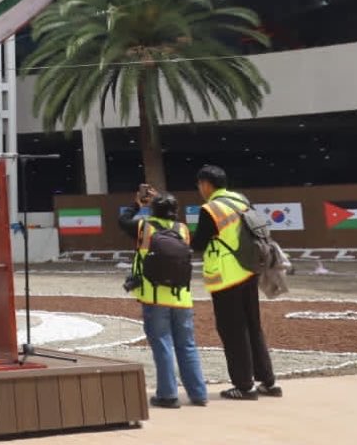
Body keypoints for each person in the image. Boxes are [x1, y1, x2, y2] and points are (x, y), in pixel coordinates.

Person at [193, 164, 282, 400]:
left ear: (206, 184)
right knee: (253, 326)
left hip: (226, 276)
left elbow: (199, 243)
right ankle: (268, 382)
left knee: (233, 330)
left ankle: (244, 386)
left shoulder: (211, 209)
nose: (200, 189)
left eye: (200, 184)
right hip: (250, 269)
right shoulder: (242, 200)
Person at [118, 189, 208, 408]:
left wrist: (137, 204)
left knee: (163, 345)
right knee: (187, 346)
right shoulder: (183, 229)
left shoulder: (144, 227)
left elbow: (123, 220)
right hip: (182, 297)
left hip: (154, 296)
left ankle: (168, 395)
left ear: (153, 209)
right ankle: (198, 394)